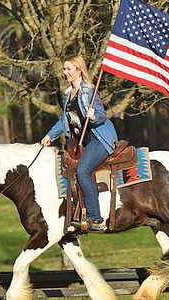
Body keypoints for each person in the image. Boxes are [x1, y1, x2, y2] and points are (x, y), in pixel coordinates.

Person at [41, 54, 118, 231]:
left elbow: (101, 115)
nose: (64, 72)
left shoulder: (89, 91)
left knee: (83, 170)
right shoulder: (68, 95)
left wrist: (94, 116)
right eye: (64, 69)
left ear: (79, 70)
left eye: (68, 69)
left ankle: (96, 219)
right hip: (83, 142)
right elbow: (64, 121)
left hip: (101, 139)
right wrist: (50, 135)